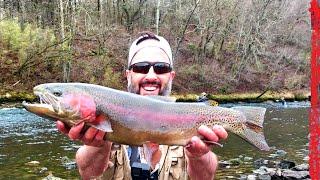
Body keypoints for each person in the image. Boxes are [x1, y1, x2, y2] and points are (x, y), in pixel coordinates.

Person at [56, 31, 228, 180]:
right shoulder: (107, 114)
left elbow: (206, 176)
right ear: (128, 75)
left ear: (171, 76)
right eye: (141, 67)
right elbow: (88, 174)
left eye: (161, 68)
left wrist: (199, 156)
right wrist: (98, 146)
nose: (151, 75)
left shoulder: (187, 121)